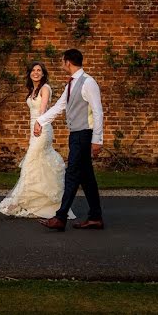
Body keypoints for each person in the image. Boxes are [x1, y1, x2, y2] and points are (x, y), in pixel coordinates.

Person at [34, 48, 105, 231]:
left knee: (72, 174)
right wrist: (40, 121)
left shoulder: (88, 83)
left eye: (62, 61)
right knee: (87, 178)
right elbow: (60, 107)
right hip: (76, 135)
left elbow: (97, 111)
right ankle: (95, 217)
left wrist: (98, 139)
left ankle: (60, 217)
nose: (61, 64)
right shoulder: (71, 84)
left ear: (68, 62)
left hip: (84, 135)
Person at [0, 62, 75, 219]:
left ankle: (19, 201)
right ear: (29, 73)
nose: (36, 72)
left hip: (42, 129)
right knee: (39, 164)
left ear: (43, 74)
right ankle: (40, 203)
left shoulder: (45, 88)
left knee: (30, 163)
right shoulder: (32, 90)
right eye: (33, 70)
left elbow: (43, 109)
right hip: (35, 130)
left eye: (39, 70)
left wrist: (39, 124)